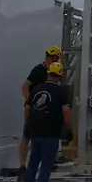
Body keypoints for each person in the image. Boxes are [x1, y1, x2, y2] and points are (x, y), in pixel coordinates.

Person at [22, 61, 72, 182]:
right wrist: (68, 129)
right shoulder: (61, 92)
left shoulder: (36, 89)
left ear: (48, 74)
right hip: (51, 133)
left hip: (35, 132)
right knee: (45, 167)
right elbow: (66, 111)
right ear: (60, 76)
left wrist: (28, 126)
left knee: (32, 165)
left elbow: (27, 109)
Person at [19, 46, 62, 174]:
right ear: (52, 57)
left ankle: (47, 161)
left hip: (47, 109)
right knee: (27, 133)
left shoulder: (52, 70)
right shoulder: (39, 70)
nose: (58, 60)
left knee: (45, 134)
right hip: (35, 108)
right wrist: (29, 101)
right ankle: (22, 165)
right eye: (57, 58)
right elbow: (25, 86)